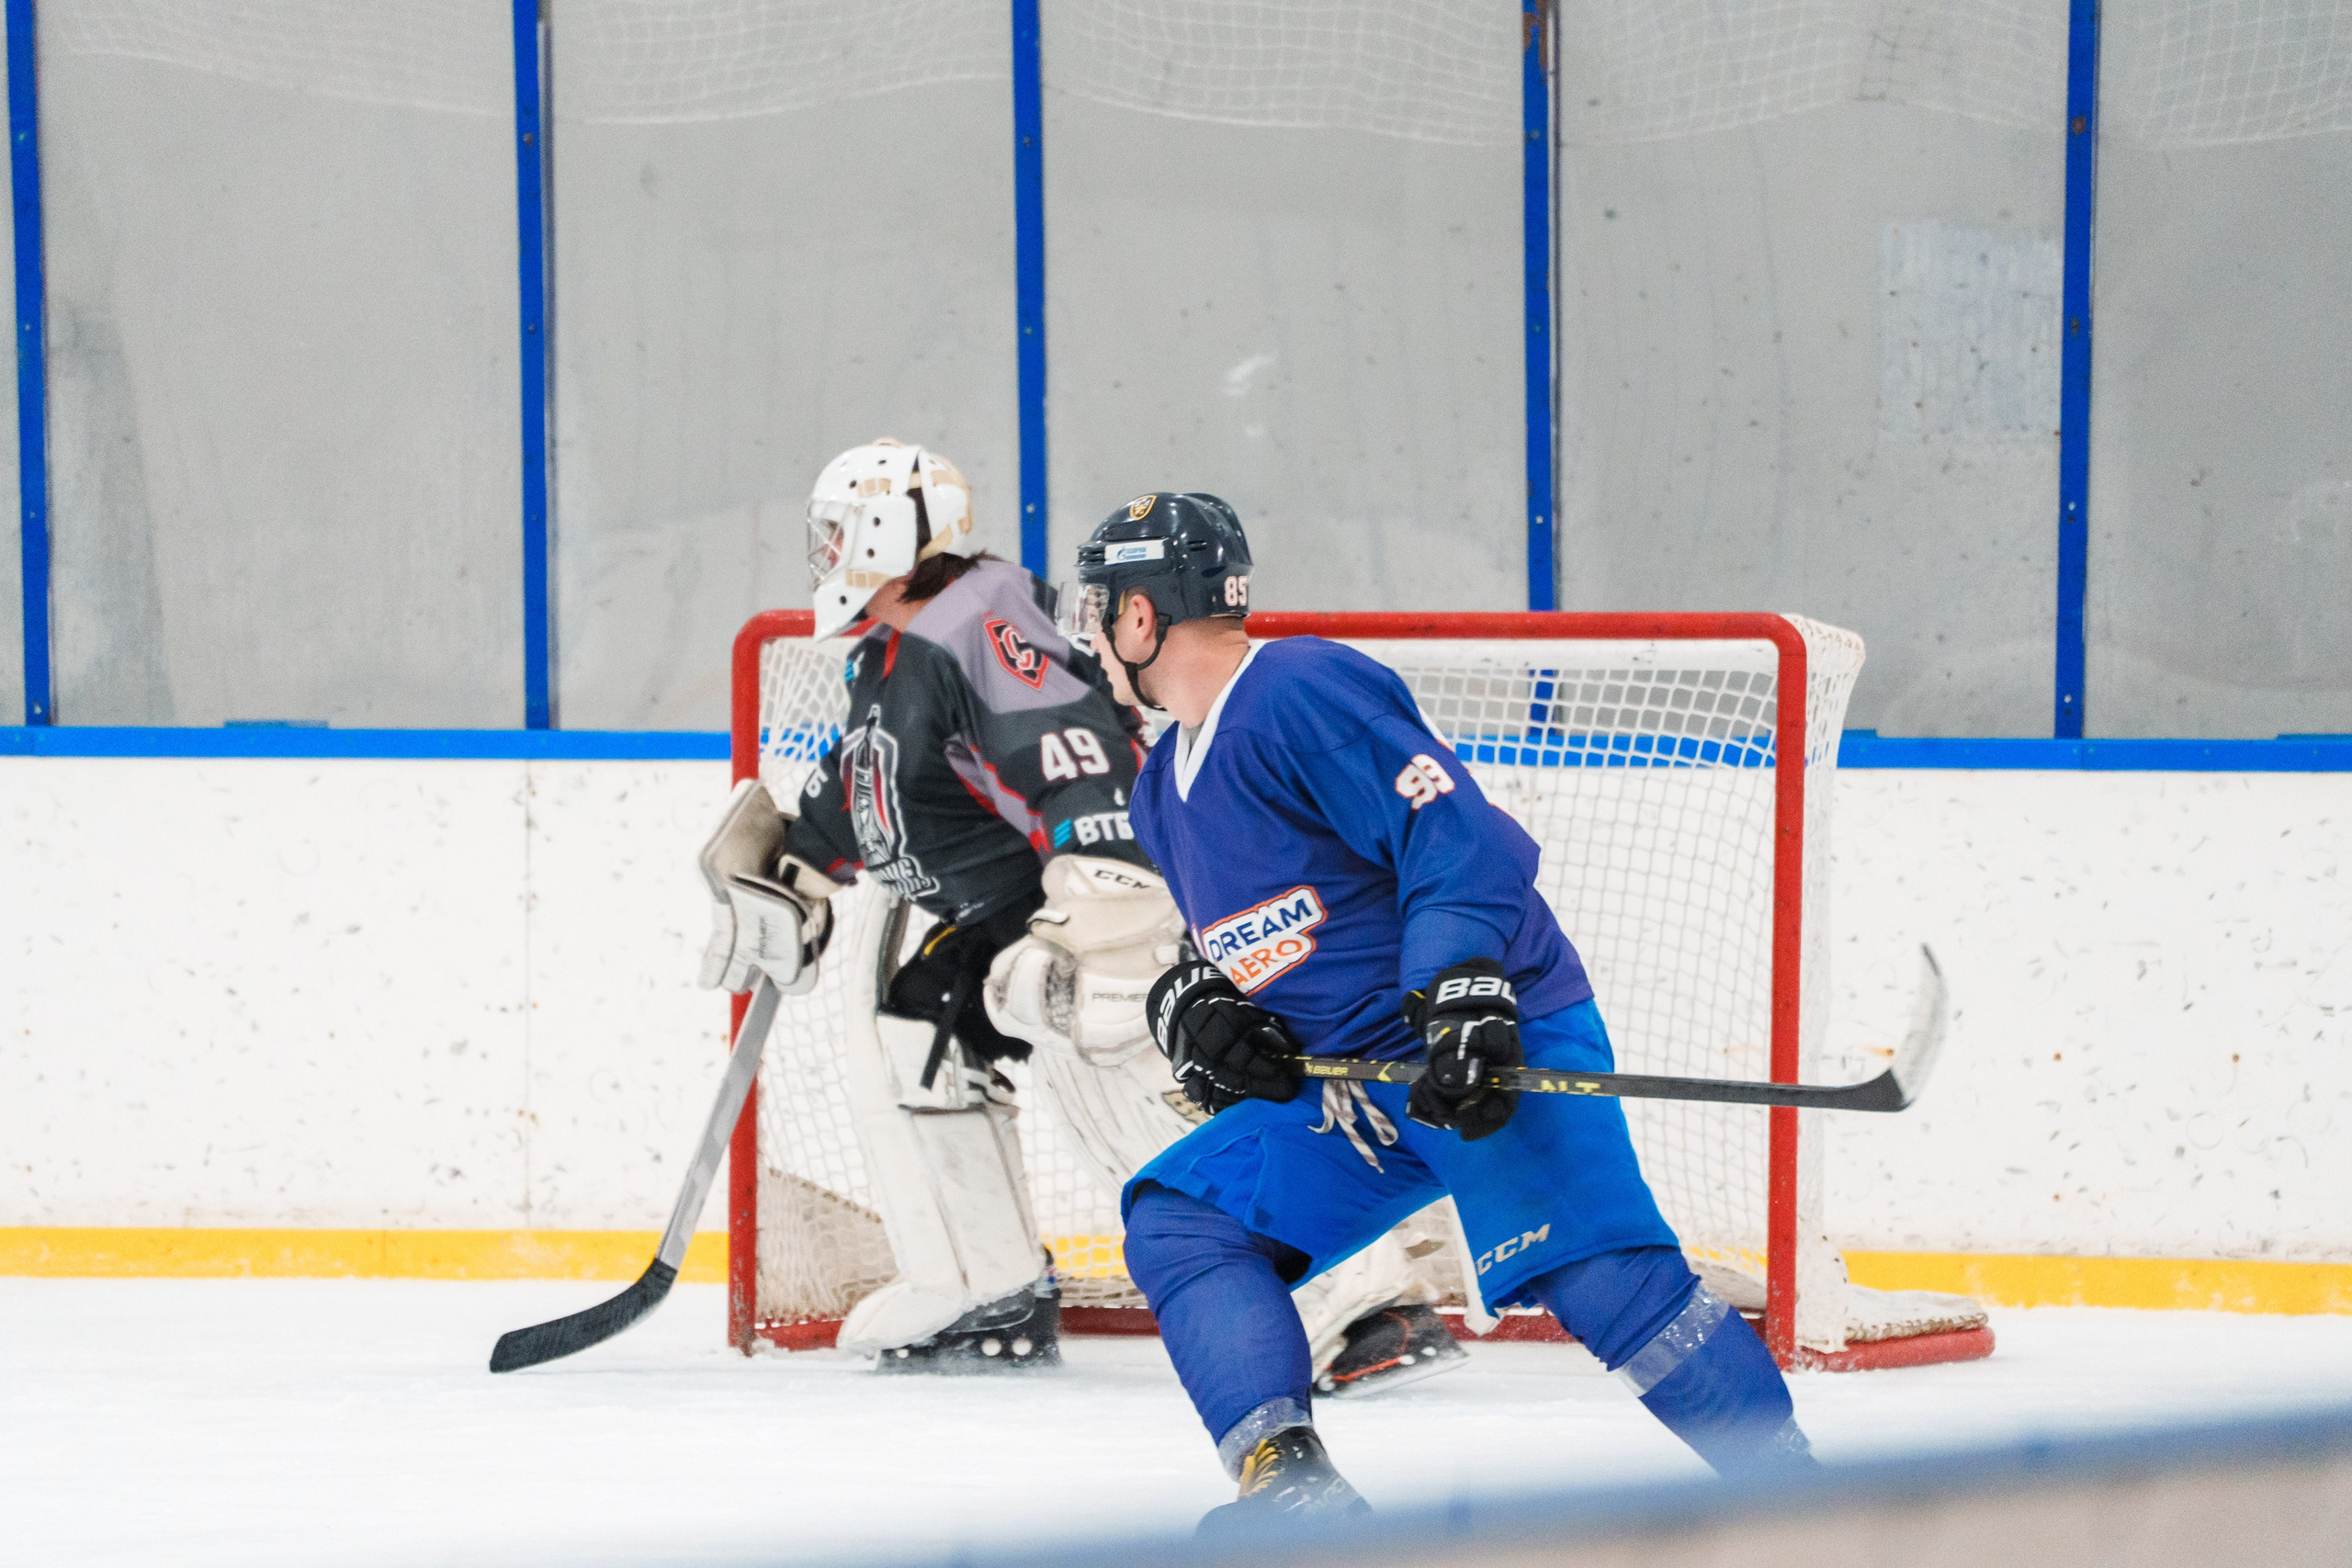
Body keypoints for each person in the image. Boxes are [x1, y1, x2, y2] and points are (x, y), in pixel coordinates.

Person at [1069, 492, 1817, 1526]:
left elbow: (1454, 831)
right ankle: (1291, 1488)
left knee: (1602, 1281)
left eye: (1100, 607)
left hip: (1480, 1038)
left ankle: (1811, 1505)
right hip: (1356, 1091)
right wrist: (1198, 1003)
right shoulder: (1161, 787)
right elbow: (1250, 933)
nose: (1093, 636)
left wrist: (1463, 984)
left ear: (1142, 615)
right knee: (1183, 1219)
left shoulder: (1295, 690)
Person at [697, 439, 1464, 1384]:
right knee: (921, 1033)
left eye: (839, 532)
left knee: (1137, 1062)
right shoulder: (893, 654)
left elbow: (1078, 754)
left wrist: (1104, 910)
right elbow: (877, 788)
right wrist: (797, 868)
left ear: (889, 536)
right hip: (1002, 916)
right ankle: (988, 1291)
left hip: (1096, 904)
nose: (824, 552)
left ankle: (1360, 1308)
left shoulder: (982, 622)